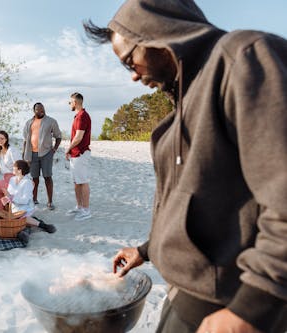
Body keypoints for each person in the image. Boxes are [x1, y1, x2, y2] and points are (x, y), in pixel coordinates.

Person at [83, 1, 287, 332]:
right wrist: (146, 250)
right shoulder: (187, 101)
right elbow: (205, 199)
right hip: (188, 288)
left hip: (229, 297)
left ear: (156, 32)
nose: (133, 75)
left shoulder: (242, 58)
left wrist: (255, 305)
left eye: (128, 61)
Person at [1, 159, 56, 244]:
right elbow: (9, 193)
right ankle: (27, 230)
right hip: (14, 208)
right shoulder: (12, 179)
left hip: (26, 207)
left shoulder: (28, 182)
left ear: (19, 170)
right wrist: (7, 198)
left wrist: (11, 197)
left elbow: (25, 200)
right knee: (10, 219)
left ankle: (42, 225)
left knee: (21, 218)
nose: (12, 169)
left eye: (14, 168)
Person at [22, 102, 62, 210]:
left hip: (46, 153)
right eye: (38, 110)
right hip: (32, 154)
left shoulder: (51, 121)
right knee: (34, 178)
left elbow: (58, 136)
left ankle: (50, 202)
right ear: (34, 111)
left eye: (42, 109)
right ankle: (34, 200)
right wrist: (24, 154)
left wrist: (54, 149)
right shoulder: (29, 123)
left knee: (47, 177)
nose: (41, 111)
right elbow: (25, 140)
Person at [65, 92, 92, 221]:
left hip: (81, 153)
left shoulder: (82, 116)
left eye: (70, 102)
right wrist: (71, 151)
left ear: (75, 102)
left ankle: (86, 210)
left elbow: (79, 137)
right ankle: (79, 207)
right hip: (75, 154)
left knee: (83, 181)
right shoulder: (78, 116)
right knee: (77, 182)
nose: (69, 104)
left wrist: (68, 148)